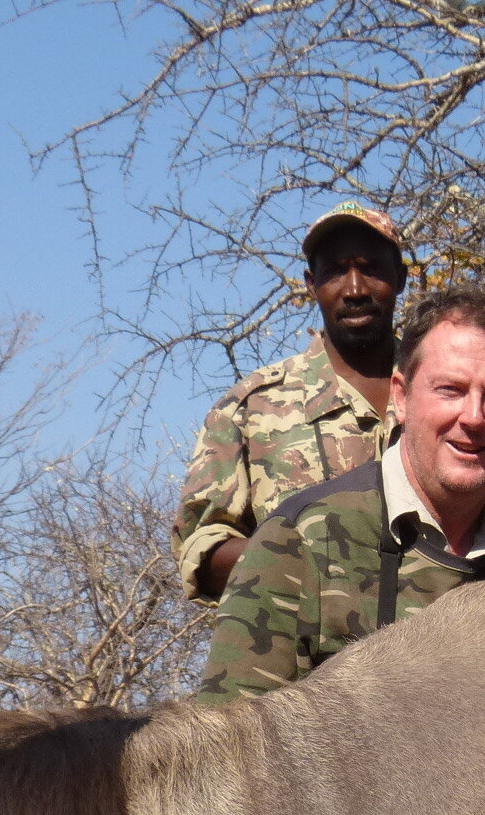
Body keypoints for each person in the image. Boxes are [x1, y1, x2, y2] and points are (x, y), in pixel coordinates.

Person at [196, 288, 485, 701]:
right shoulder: (298, 541)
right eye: (449, 389)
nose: (472, 417)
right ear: (401, 395)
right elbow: (229, 748)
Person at [173, 203, 407, 600]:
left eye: (371, 268)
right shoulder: (249, 407)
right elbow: (201, 551)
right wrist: (309, 558)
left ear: (400, 278)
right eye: (335, 272)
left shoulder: (452, 392)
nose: (354, 289)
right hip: (313, 657)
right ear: (310, 284)